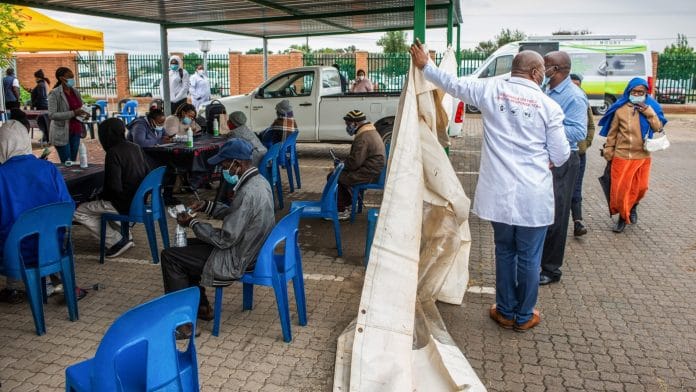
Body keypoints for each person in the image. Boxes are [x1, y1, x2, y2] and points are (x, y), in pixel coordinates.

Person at [410, 40, 570, 332]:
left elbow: (452, 84)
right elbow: (560, 155)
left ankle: (505, 310)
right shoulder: (549, 107)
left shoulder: (490, 90)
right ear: (536, 73)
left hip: (499, 194)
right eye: (542, 70)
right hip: (533, 197)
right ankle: (524, 317)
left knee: (505, 252)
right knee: (530, 258)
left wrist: (425, 65)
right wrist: (544, 159)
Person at [160, 138, 274, 331]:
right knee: (184, 247)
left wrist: (193, 222)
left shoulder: (247, 192)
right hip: (250, 249)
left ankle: (183, 325)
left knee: (170, 257)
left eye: (224, 165)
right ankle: (202, 307)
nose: (222, 171)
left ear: (236, 164)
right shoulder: (259, 182)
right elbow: (238, 215)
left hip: (237, 256)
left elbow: (225, 239)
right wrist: (208, 206)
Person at [0, 121, 74, 304]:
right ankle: (45, 281)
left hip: (14, 254)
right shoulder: (48, 169)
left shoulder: (2, 175)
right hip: (52, 247)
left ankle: (15, 286)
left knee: (10, 234)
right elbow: (67, 206)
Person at [538, 51, 588, 286]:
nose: (541, 68)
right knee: (544, 211)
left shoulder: (574, 96)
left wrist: (547, 128)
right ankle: (539, 262)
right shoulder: (547, 89)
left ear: (556, 69)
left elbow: (578, 132)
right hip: (548, 159)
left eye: (544, 65)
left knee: (557, 215)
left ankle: (551, 269)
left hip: (564, 161)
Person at [73, 119, 151, 258]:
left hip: (123, 203)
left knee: (79, 212)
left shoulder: (113, 152)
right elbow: (146, 172)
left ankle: (115, 242)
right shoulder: (135, 147)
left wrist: (98, 197)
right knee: (100, 206)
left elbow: (113, 187)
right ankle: (126, 235)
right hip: (138, 200)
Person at [598, 78, 667, 233]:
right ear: (628, 92)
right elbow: (612, 133)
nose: (636, 94)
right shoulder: (620, 109)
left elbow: (658, 127)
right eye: (634, 92)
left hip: (642, 156)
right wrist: (609, 150)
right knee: (621, 191)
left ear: (645, 93)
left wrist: (648, 112)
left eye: (640, 92)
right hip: (622, 156)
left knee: (641, 188)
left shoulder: (651, 107)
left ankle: (634, 205)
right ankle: (623, 217)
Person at [335, 110, 385, 220]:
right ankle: (348, 203)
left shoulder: (363, 137)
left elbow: (354, 163)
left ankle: (342, 209)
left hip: (369, 174)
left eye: (348, 125)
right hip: (373, 171)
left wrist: (341, 166)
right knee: (341, 175)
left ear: (355, 124)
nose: (347, 128)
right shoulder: (370, 132)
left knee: (335, 177)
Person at [569, 73, 595, 237]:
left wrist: (586, 144)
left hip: (579, 154)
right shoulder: (561, 102)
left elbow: (591, 126)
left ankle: (577, 221)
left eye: (577, 84)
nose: (574, 87)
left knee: (576, 188)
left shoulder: (583, 102)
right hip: (562, 153)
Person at [48, 67, 90, 163]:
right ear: (62, 78)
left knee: (73, 162)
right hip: (61, 133)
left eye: (73, 77)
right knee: (67, 162)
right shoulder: (54, 94)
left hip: (76, 131)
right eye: (70, 77)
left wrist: (85, 114)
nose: (72, 79)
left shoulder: (75, 92)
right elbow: (52, 115)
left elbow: (81, 107)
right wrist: (74, 113)